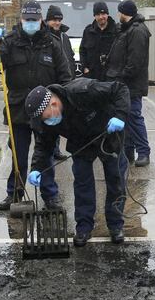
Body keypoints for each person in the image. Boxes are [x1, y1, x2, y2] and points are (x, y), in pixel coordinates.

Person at [0, 0, 72, 211]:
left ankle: (50, 195)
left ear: (40, 19)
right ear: (21, 19)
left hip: (45, 111)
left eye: (34, 19)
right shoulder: (10, 41)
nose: (31, 23)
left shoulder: (52, 44)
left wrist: (60, 103)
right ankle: (13, 193)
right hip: (18, 109)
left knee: (47, 155)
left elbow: (65, 76)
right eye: (27, 20)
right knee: (19, 155)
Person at [25, 79, 130, 246]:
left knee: (115, 181)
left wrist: (120, 116)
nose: (46, 122)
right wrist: (36, 168)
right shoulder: (47, 119)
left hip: (108, 135)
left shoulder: (83, 91)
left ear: (53, 103)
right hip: (81, 143)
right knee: (82, 183)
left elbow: (120, 88)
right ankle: (84, 227)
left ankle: (116, 225)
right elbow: (43, 146)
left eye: (46, 118)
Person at [105, 0, 151, 167]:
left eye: (119, 12)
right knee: (127, 117)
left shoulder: (137, 31)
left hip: (131, 84)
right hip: (124, 83)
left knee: (134, 117)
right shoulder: (126, 29)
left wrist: (121, 76)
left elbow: (135, 61)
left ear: (125, 13)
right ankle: (128, 151)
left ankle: (144, 152)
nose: (118, 16)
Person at [45, 4, 77, 160]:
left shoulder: (64, 36)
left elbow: (69, 56)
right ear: (47, 20)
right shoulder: (44, 36)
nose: (56, 22)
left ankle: (56, 149)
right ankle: (52, 149)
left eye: (59, 19)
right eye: (53, 20)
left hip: (65, 82)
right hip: (50, 83)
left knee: (61, 117)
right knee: (52, 117)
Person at [79, 1, 118, 81]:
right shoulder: (88, 31)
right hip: (92, 76)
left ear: (107, 14)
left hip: (111, 77)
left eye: (103, 14)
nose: (101, 17)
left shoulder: (117, 30)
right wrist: (85, 68)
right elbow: (82, 51)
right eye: (98, 14)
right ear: (94, 16)